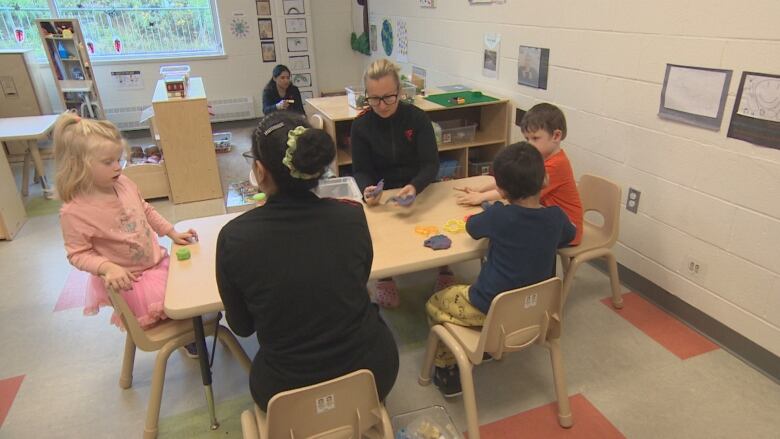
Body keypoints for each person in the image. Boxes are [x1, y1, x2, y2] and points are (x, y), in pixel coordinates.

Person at [216, 111, 399, 411]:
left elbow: (242, 326)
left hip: (286, 396)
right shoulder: (352, 216)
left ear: (260, 171)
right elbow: (359, 281)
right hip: (373, 374)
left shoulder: (234, 237)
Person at [427, 142, 575, 397]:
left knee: (435, 302)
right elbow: (568, 235)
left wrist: (495, 209)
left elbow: (473, 227)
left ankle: (449, 372)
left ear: (502, 190)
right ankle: (486, 346)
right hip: (537, 311)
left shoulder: (500, 217)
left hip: (488, 307)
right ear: (544, 180)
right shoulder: (556, 217)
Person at [55, 111, 198, 336]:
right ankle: (189, 336)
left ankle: (190, 327)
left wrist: (171, 232)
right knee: (176, 303)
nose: (117, 167)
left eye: (119, 159)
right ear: (79, 165)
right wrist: (107, 267)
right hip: (131, 280)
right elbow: (77, 254)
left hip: (156, 261)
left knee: (191, 282)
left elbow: (146, 209)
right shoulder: (74, 212)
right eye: (108, 162)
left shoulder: (123, 182)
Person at [350, 58, 443, 308]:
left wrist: (414, 186)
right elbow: (360, 169)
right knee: (378, 233)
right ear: (366, 96)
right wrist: (367, 189)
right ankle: (385, 277)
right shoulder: (360, 126)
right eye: (374, 99)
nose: (382, 105)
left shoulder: (417, 118)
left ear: (400, 92)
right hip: (383, 193)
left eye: (389, 97)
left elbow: (430, 165)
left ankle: (444, 270)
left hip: (418, 186)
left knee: (437, 222)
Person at [454, 102, 583, 246]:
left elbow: (515, 188)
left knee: (508, 231)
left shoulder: (557, 165)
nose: (529, 144)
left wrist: (481, 197)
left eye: (535, 138)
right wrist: (480, 190)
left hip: (566, 230)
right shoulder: (539, 159)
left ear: (556, 136)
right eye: (527, 139)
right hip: (546, 219)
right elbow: (510, 179)